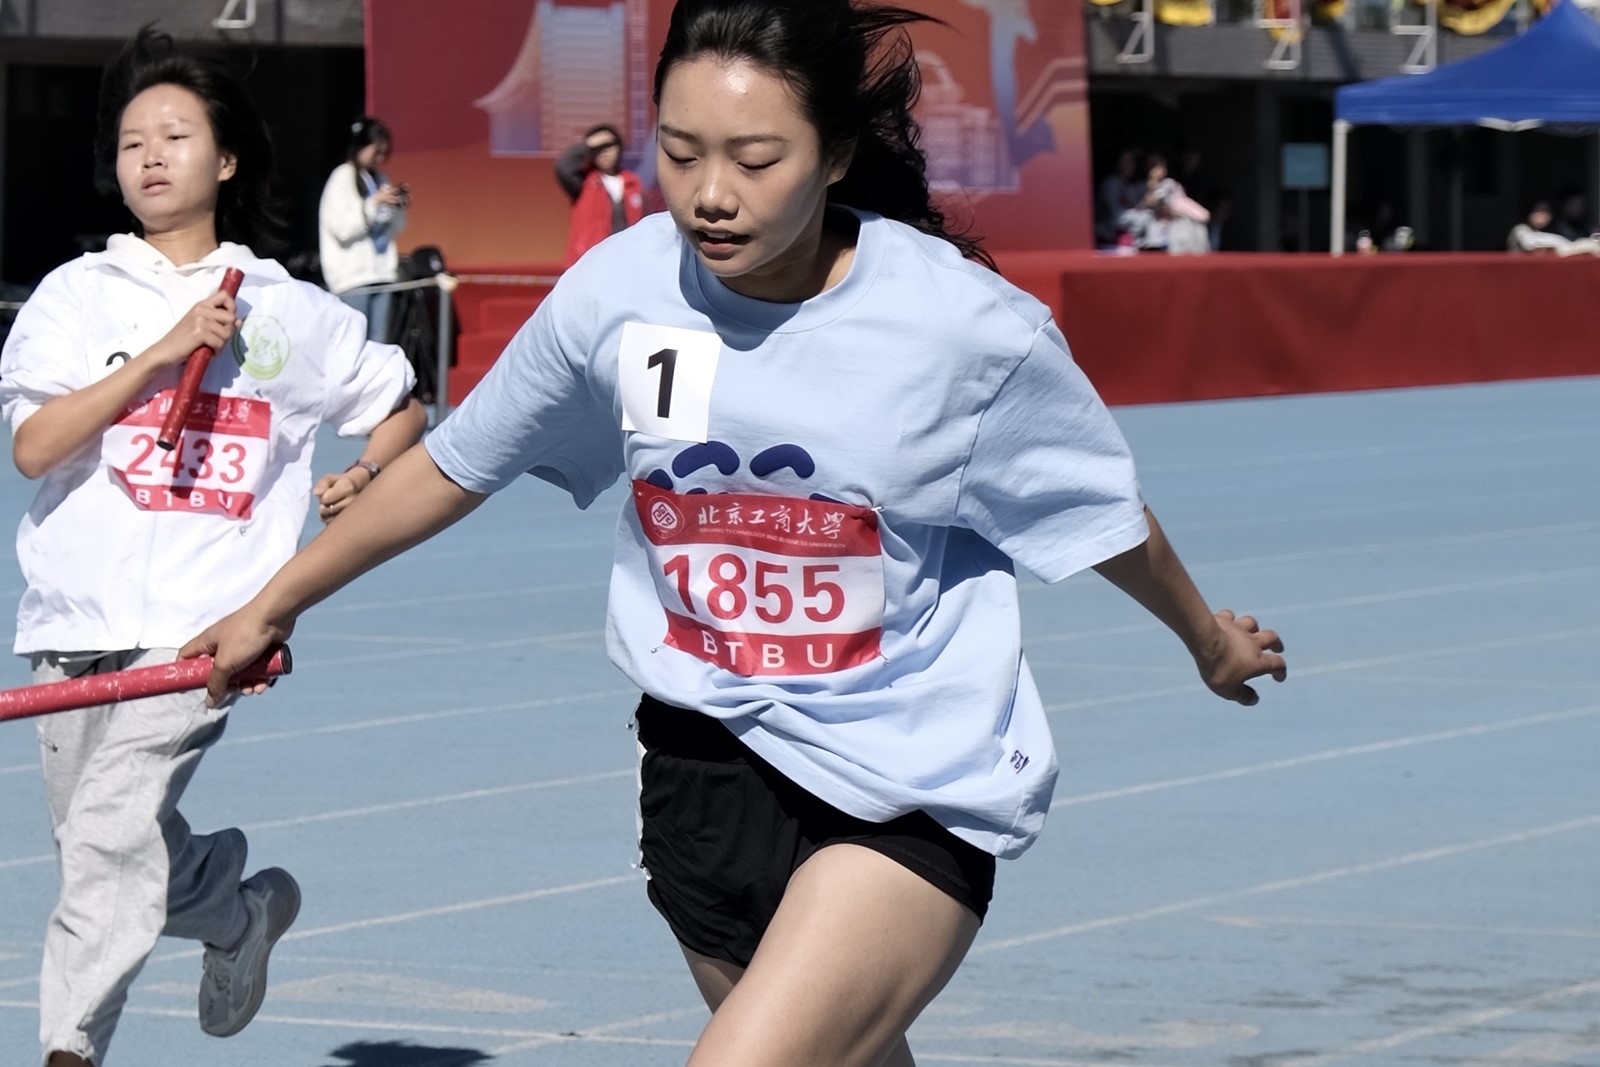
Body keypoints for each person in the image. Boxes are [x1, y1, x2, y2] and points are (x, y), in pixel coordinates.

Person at [185, 2, 1287, 1065]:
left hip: (905, 775)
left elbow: (1100, 515)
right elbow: (453, 466)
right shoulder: (619, 292)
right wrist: (272, 603)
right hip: (702, 762)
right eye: (680, 153)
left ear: (836, 152)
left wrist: (1209, 640)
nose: (710, 195)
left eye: (756, 160)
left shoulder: (961, 327)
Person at [0, 29, 427, 1067]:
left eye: (176, 135)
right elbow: (34, 446)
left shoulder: (289, 312)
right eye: (132, 141)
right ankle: (236, 910)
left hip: (205, 627)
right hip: (74, 618)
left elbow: (399, 401)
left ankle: (67, 1050)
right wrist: (157, 357)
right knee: (105, 845)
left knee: (108, 838)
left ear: (226, 158)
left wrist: (365, 471)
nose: (149, 154)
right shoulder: (74, 295)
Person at [318, 116, 409, 342]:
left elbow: (396, 228)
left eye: (384, 153)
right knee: (353, 343)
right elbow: (342, 230)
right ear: (360, 145)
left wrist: (398, 206)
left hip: (382, 274)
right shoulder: (341, 177)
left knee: (378, 346)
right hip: (352, 279)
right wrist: (373, 204)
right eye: (376, 151)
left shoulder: (380, 178)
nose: (379, 159)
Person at [555, 122, 646, 266]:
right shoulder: (583, 181)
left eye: (609, 145)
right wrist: (590, 143)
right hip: (588, 263)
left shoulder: (633, 182)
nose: (604, 151)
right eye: (598, 148)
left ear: (619, 147)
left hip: (625, 261)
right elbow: (563, 166)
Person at [1508, 199, 1600, 256]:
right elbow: (1530, 243)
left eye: (1546, 211)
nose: (1542, 215)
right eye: (1538, 211)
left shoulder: (1556, 230)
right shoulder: (1520, 229)